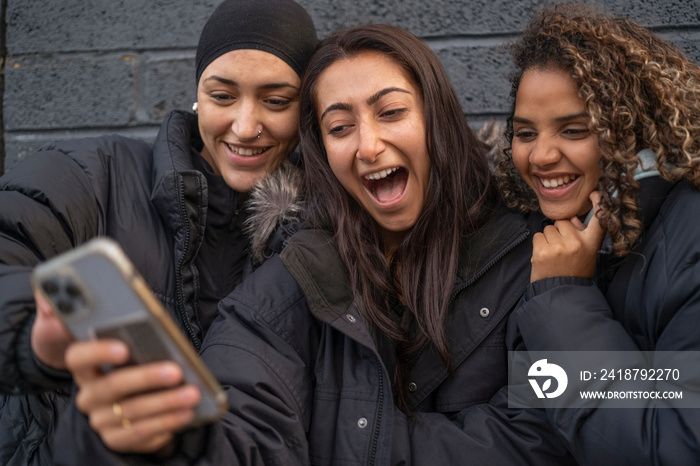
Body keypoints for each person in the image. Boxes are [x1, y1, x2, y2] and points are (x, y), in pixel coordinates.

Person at [52, 23, 575, 465]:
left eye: (391, 113)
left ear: (435, 117)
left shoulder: (542, 257)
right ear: (323, 152)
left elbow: (554, 433)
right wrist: (159, 438)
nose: (368, 146)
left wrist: (334, 436)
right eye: (340, 126)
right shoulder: (291, 280)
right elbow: (240, 436)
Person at [0, 0, 317, 464]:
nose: (245, 127)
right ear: (197, 95)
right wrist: (33, 339)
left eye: (275, 101)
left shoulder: (316, 238)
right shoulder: (89, 176)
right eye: (222, 96)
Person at [496, 3, 700, 465]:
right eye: (525, 133)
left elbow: (672, 447)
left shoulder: (688, 245)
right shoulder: (563, 230)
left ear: (630, 128)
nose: (541, 155)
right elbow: (533, 413)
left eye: (574, 130)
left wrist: (562, 298)